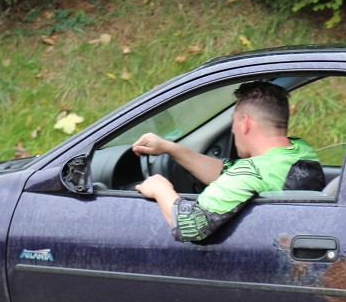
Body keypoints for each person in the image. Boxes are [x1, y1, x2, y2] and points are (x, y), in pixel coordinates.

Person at [134, 81, 326, 242]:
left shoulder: (251, 172)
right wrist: (170, 148)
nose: (233, 130)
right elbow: (228, 172)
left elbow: (190, 226)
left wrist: (160, 188)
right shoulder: (300, 150)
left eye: (233, 121)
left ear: (245, 122)